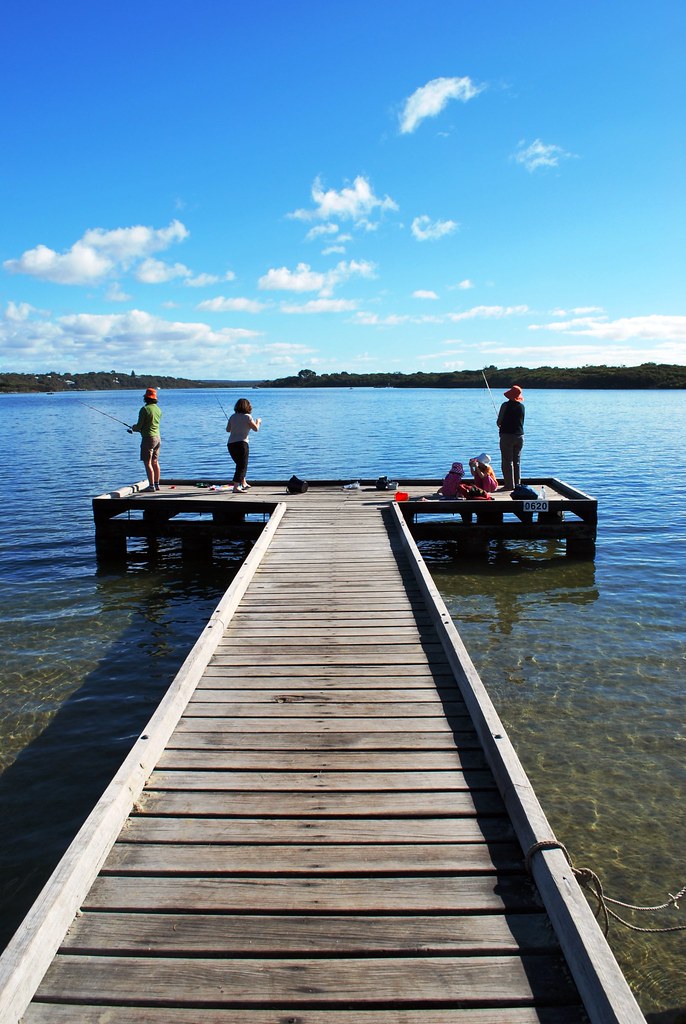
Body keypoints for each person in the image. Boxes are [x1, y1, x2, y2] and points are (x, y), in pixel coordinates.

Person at [129, 387, 162, 492]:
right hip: (158, 438)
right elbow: (149, 425)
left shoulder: (144, 409)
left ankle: (151, 486)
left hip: (148, 439)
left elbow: (139, 426)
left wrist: (133, 428)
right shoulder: (158, 409)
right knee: (155, 462)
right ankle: (157, 484)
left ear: (146, 398)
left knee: (147, 462)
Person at [226, 398, 261, 492]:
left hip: (231, 444)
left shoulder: (232, 416)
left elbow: (228, 430)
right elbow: (256, 429)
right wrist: (258, 422)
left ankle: (243, 482)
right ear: (247, 406)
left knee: (239, 464)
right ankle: (236, 487)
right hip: (242, 444)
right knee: (242, 465)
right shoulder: (248, 417)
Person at [497, 384, 525, 490]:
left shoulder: (505, 405)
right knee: (517, 461)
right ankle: (517, 485)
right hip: (520, 437)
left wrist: (500, 424)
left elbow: (499, 421)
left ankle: (509, 485)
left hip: (507, 436)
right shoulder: (522, 407)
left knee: (507, 461)